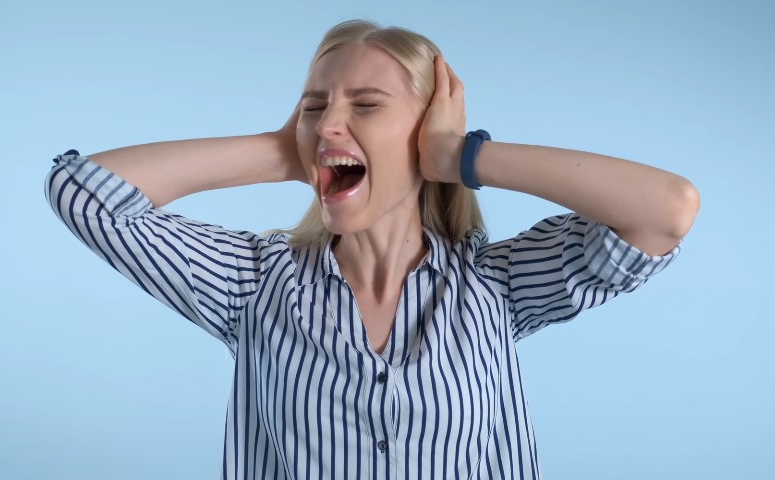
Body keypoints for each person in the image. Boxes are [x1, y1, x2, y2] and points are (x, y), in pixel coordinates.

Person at [45, 19, 699, 480]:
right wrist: (289, 150)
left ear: (425, 135)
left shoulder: (494, 287)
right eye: (316, 105)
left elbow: (666, 212)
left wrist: (462, 156)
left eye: (366, 104)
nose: (332, 120)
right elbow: (83, 191)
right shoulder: (254, 285)